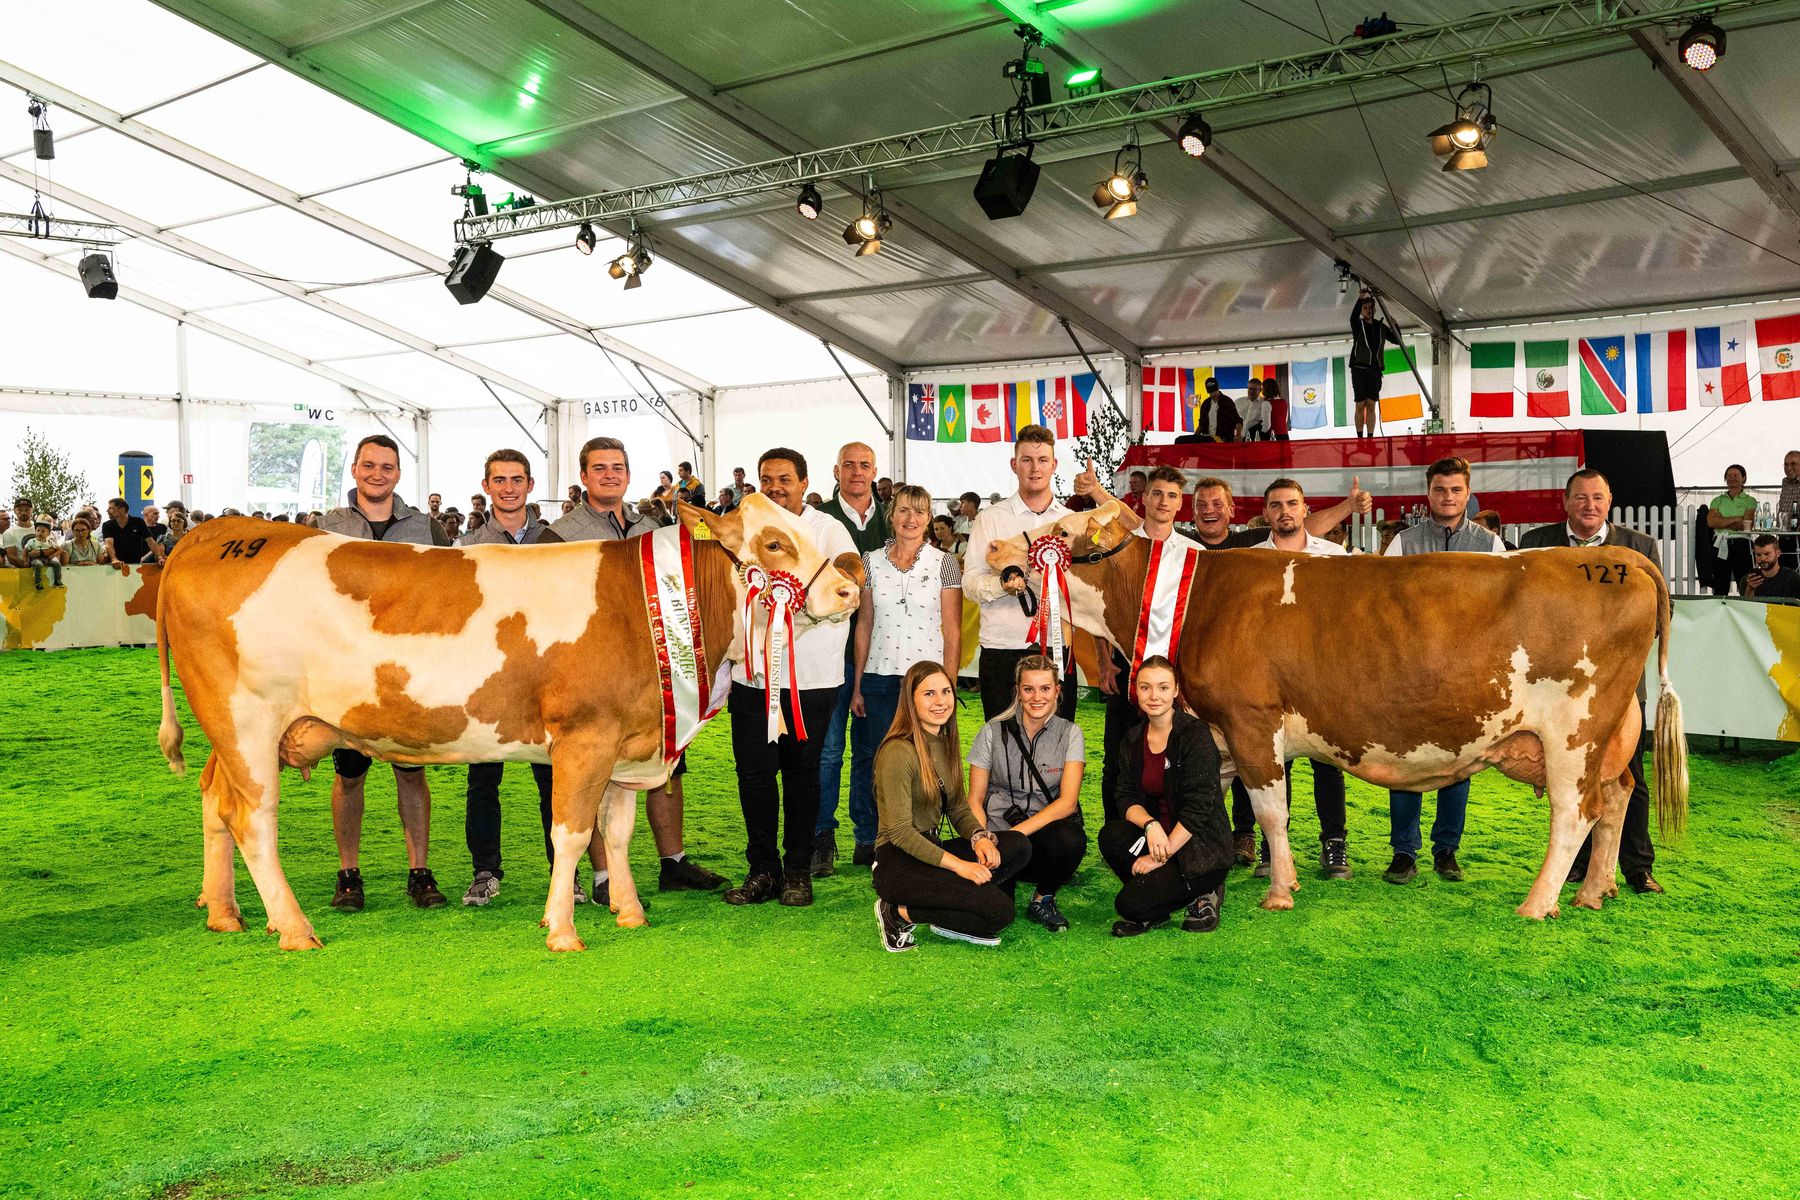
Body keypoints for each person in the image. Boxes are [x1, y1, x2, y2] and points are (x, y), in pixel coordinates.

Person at [540, 436, 724, 903]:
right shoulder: (558, 534)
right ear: (583, 476)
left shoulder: (653, 526)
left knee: (670, 762)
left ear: (627, 473)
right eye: (599, 468)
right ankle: (604, 876)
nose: (609, 475)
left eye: (617, 467)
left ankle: (673, 862)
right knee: (595, 770)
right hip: (589, 672)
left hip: (654, 665)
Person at [318, 434, 452, 911]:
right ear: (354, 469)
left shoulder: (425, 527)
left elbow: (448, 591)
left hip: (409, 669)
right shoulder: (328, 526)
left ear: (399, 473)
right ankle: (348, 875)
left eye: (387, 467)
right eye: (369, 465)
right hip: (346, 670)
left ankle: (420, 872)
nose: (378, 474)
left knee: (411, 772)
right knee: (350, 774)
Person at [1520, 468, 1666, 894]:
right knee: (1568, 774)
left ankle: (1638, 867)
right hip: (1552, 686)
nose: (1589, 505)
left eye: (1597, 498)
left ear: (1610, 501)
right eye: (1581, 498)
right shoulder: (1536, 545)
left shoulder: (1639, 548)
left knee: (1625, 773)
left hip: (1616, 685)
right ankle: (1581, 866)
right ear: (1565, 502)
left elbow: (1658, 615)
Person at [723, 447, 857, 909]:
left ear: (805, 482)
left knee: (804, 775)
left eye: (785, 479)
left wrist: (798, 609)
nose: (776, 487)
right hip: (753, 676)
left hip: (813, 679)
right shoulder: (747, 532)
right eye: (767, 479)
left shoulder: (827, 529)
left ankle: (798, 869)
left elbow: (849, 581)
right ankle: (762, 870)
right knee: (754, 776)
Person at [456, 449, 578, 909]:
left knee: (554, 778)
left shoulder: (556, 543)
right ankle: (485, 870)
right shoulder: (464, 546)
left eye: (517, 479)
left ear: (530, 486)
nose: (509, 488)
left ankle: (564, 873)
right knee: (482, 778)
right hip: (487, 679)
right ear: (486, 486)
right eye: (500, 480)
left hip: (547, 678)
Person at [1381, 456, 1503, 885]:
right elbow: (1387, 607)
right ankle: (1403, 852)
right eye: (1439, 489)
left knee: (1459, 763)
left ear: (1467, 493)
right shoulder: (1402, 543)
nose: (1447, 497)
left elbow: (1501, 614)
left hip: (1466, 675)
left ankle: (1447, 850)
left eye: (1455, 490)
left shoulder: (1491, 545)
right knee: (1407, 764)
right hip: (1409, 672)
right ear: (1428, 493)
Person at [870, 661, 1032, 951]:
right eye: (929, 694)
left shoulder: (944, 740)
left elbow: (957, 806)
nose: (941, 701)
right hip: (898, 862)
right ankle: (897, 912)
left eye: (945, 691)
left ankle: (957, 906)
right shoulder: (897, 751)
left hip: (933, 849)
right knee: (999, 912)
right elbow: (900, 833)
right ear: (911, 699)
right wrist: (962, 868)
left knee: (1017, 845)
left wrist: (978, 837)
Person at [849, 484, 962, 871]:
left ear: (929, 518)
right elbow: (864, 624)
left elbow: (953, 630)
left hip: (925, 684)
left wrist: (947, 685)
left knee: (926, 762)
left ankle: (920, 834)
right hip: (879, 678)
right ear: (891, 515)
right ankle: (868, 837)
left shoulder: (945, 563)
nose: (911, 519)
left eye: (919, 511)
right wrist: (859, 683)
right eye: (903, 511)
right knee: (870, 758)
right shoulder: (869, 561)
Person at [1248, 480, 1352, 881]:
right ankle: (1274, 844)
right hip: (1270, 675)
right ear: (1266, 513)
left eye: (1292, 503)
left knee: (1329, 761)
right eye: (1276, 505)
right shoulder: (1250, 559)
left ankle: (1334, 842)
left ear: (1305, 509)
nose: (1284, 511)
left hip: (1324, 675)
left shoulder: (1334, 554)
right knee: (1273, 761)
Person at [1099, 656, 1232, 936]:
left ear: (1175, 690)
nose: (1154, 696)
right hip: (1158, 838)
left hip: (1198, 847)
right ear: (1135, 691)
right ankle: (1157, 898)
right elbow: (1124, 795)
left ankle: (1206, 890)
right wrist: (1150, 825)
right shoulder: (1133, 739)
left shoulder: (1195, 735)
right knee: (1111, 835)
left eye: (1162, 687)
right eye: (1145, 687)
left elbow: (1200, 808)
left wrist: (1161, 856)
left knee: (1129, 905)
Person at [813, 442, 893, 877]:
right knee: (828, 752)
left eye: (865, 465)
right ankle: (822, 836)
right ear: (836, 470)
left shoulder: (895, 521)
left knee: (872, 752)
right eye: (849, 465)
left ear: (875, 471)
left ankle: (869, 836)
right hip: (828, 653)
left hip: (880, 657)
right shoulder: (820, 520)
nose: (857, 472)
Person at [963, 425, 1078, 721]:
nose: (1035, 468)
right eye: (1026, 460)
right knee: (1002, 749)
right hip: (1002, 649)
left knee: (1057, 746)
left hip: (1056, 648)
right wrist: (1004, 585)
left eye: (1042, 460)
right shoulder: (989, 520)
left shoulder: (1072, 522)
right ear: (1014, 465)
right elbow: (970, 582)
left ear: (1054, 465)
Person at [967, 656, 1086, 932]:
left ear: (1057, 690)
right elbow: (974, 798)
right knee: (997, 914)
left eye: (1045, 688)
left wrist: (1018, 834)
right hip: (997, 840)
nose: (1037, 697)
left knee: (1071, 839)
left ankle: (1042, 899)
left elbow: (1068, 803)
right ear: (1018, 691)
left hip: (1039, 837)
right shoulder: (991, 731)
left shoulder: (1070, 733)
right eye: (1028, 689)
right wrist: (982, 839)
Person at [1349, 289, 1402, 439]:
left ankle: (1370, 437)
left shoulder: (1380, 327)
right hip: (1359, 369)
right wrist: (1360, 299)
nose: (1368, 310)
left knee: (1371, 405)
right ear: (1361, 311)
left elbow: (1397, 340)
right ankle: (1360, 437)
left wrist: (1395, 326)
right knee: (1360, 405)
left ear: (1375, 309)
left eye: (1370, 308)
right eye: (1365, 308)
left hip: (1375, 371)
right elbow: (1352, 318)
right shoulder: (1358, 325)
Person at [1705, 464, 1757, 595]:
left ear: (1744, 478)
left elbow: (1747, 525)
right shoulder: (1717, 500)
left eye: (1736, 475)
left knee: (1744, 584)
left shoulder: (1750, 500)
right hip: (1720, 544)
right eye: (1729, 476)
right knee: (1720, 586)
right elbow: (1711, 522)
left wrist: (1721, 521)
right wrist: (1737, 518)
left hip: (1742, 545)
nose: (1732, 478)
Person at [102, 498, 163, 566]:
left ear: (122, 510)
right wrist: (114, 559)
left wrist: (159, 557)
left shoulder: (138, 522)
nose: (107, 511)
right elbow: (109, 543)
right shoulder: (107, 525)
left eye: (111, 508)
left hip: (135, 564)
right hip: (115, 565)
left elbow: (150, 542)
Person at [1745, 533, 1800, 599]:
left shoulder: (1792, 578)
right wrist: (1750, 590)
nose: (1762, 558)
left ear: (1778, 553)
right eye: (1758, 555)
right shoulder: (1751, 579)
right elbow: (1745, 607)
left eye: (1767, 554)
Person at [1188, 376, 1240, 443]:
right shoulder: (1205, 404)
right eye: (1210, 393)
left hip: (1224, 440)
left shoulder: (1228, 402)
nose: (1213, 394)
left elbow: (1237, 421)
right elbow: (1201, 424)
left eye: (1215, 391)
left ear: (1218, 389)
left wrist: (1238, 434)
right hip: (1207, 440)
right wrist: (1194, 438)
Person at [23, 517, 64, 589]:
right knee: (38, 565)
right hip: (36, 559)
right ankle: (38, 582)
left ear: (48, 533)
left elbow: (60, 550)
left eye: (43, 531)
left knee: (57, 564)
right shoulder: (32, 541)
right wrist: (25, 561)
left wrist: (53, 556)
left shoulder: (50, 542)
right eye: (38, 530)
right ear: (35, 531)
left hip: (47, 558)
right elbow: (25, 550)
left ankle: (57, 580)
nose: (40, 533)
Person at [1263, 377, 1290, 442]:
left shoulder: (1267, 403)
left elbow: (1267, 425)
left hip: (1272, 436)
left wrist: (1260, 433)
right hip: (1284, 435)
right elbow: (1285, 420)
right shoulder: (1284, 401)